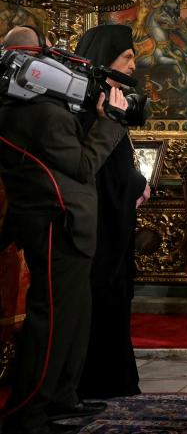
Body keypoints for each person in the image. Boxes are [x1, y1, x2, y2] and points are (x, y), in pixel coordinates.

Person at [0, 26, 128, 434]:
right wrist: (110, 123)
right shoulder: (32, 112)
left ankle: (60, 396)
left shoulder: (42, 108)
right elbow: (84, 165)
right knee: (51, 320)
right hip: (56, 222)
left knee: (74, 315)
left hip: (68, 222)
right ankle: (29, 410)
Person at [73, 25, 150, 399]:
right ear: (106, 60)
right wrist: (133, 185)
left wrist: (137, 182)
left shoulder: (112, 98)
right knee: (100, 299)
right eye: (127, 57)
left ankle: (115, 381)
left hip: (115, 218)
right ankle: (97, 381)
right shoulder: (90, 104)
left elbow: (121, 161)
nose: (134, 64)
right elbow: (93, 168)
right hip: (98, 222)